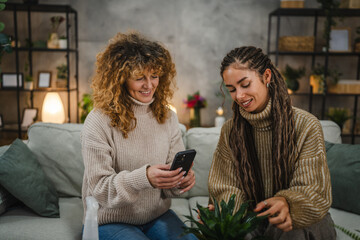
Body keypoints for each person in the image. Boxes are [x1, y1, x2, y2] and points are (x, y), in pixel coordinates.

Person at [208, 46, 336, 239]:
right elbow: (226, 187)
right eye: (232, 90)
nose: (239, 96)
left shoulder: (306, 125)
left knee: (287, 229)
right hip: (254, 218)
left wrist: (288, 202)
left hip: (304, 219)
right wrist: (225, 217)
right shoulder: (230, 130)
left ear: (266, 76)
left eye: (245, 84)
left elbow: (314, 189)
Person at [81, 32, 197, 240]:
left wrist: (180, 180)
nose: (149, 85)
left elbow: (170, 186)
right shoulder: (98, 120)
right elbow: (100, 189)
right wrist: (144, 178)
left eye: (154, 76)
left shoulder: (168, 117)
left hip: (157, 216)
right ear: (120, 79)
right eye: (139, 78)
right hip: (110, 219)